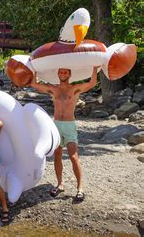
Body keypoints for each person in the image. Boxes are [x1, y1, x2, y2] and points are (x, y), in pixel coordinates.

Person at [29, 67, 98, 202]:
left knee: (73, 156)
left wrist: (95, 67)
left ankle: (80, 188)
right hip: (56, 125)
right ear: (58, 74)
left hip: (69, 125)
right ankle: (60, 184)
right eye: (61, 72)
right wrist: (35, 69)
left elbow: (92, 83)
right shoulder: (53, 89)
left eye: (65, 72)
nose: (63, 74)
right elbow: (34, 84)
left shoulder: (75, 88)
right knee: (57, 155)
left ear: (70, 74)